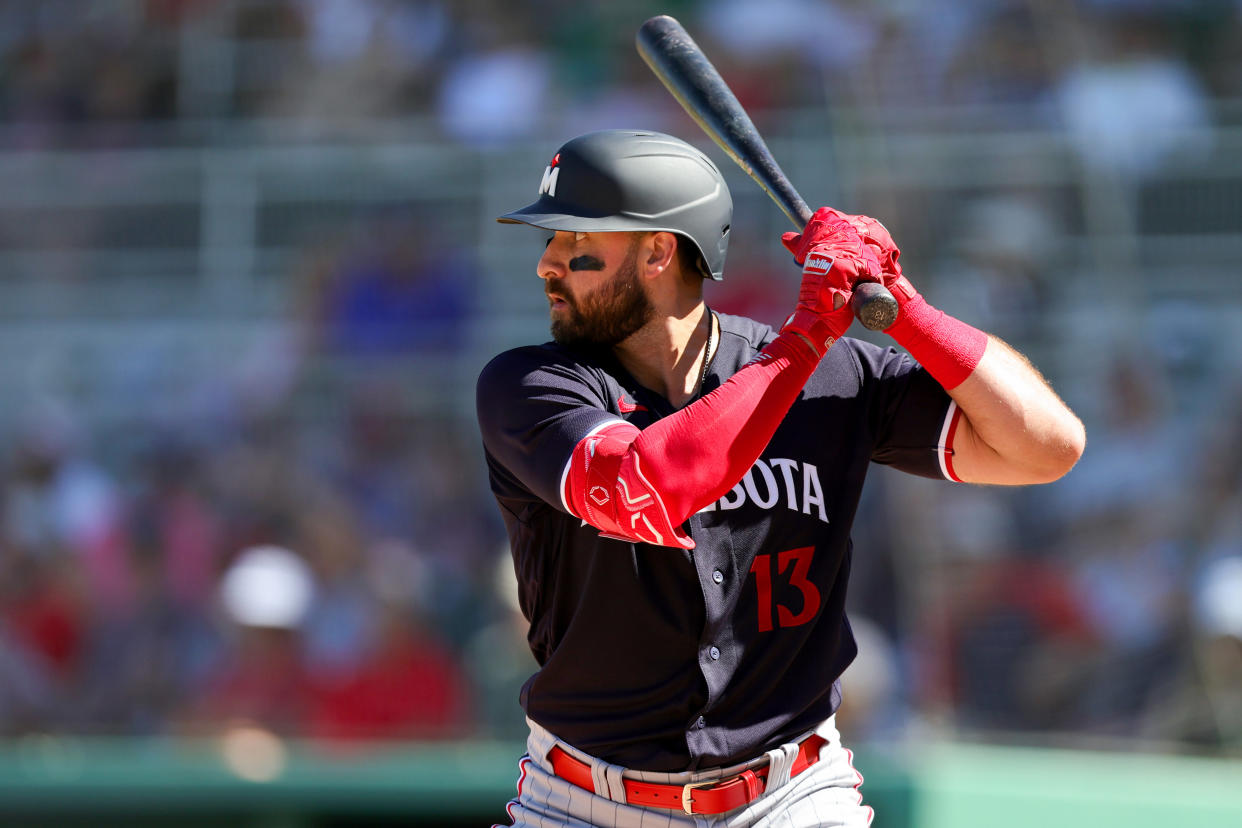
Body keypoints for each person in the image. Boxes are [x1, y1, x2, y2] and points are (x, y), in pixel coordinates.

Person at [475, 129, 1085, 826]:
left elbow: (1047, 447)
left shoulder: (831, 372)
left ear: (657, 251)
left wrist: (904, 306)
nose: (547, 265)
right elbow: (648, 485)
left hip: (791, 795)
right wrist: (804, 339)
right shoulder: (532, 385)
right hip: (586, 802)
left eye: (573, 241)